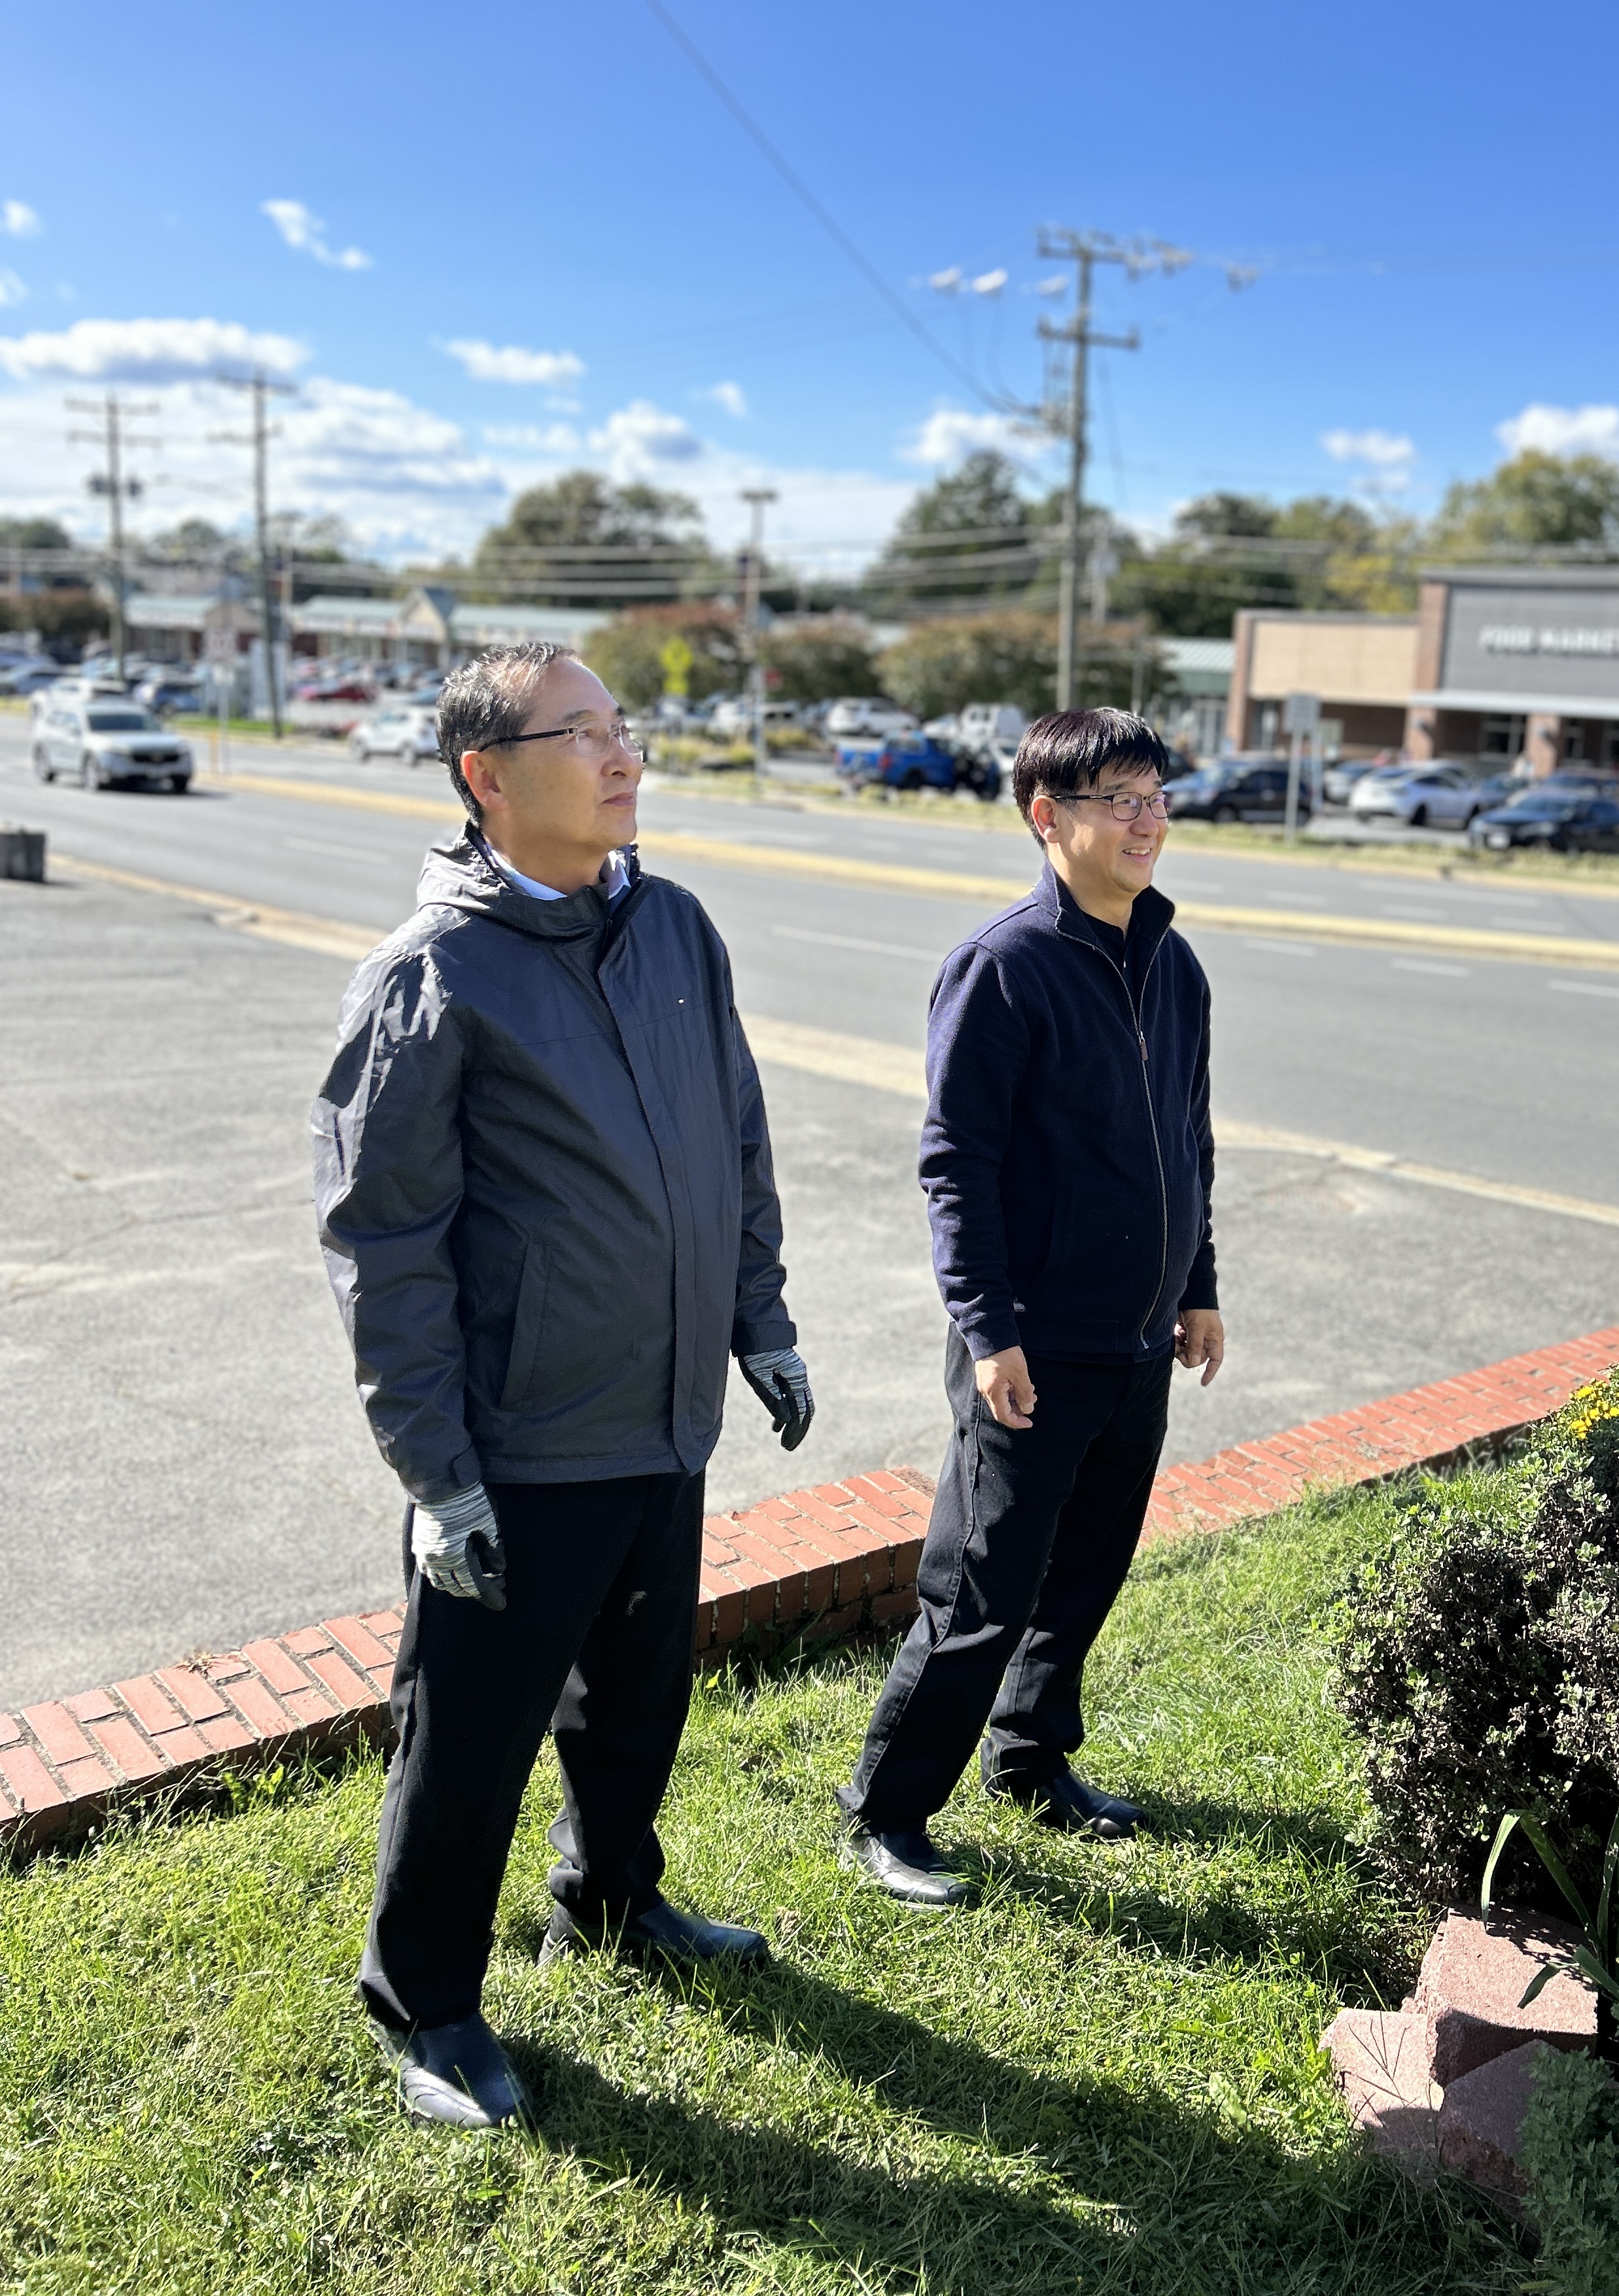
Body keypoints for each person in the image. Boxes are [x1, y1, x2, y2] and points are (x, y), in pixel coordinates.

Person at [313, 641, 814, 2129]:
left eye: (622, 728)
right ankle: (426, 2006)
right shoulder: (429, 978)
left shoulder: (676, 929)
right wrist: (436, 1475)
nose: (622, 756)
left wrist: (761, 1319)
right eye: (580, 733)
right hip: (518, 1447)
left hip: (665, 1416)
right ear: (485, 775)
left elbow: (734, 1135)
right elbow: (384, 1244)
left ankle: (611, 1898)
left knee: (638, 1698)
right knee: (469, 1740)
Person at [838, 707, 1224, 1904]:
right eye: (1120, 800)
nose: (1147, 821)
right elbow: (957, 1164)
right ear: (1047, 817)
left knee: (1086, 1571)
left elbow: (1190, 1140)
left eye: (1156, 797)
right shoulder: (1003, 966)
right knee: (982, 1587)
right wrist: (988, 1328)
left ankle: (1029, 1755)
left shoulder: (1174, 964)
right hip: (1033, 1344)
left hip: (1137, 1341)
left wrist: (1200, 1286)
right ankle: (887, 1812)